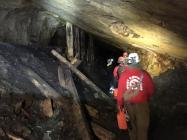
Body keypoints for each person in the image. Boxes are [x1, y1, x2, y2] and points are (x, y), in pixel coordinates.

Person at [117, 53, 154, 140]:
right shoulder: (144, 74)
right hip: (142, 105)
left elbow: (120, 93)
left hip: (129, 105)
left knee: (132, 126)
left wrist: (120, 104)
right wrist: (146, 98)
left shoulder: (124, 75)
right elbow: (151, 90)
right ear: (138, 62)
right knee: (142, 128)